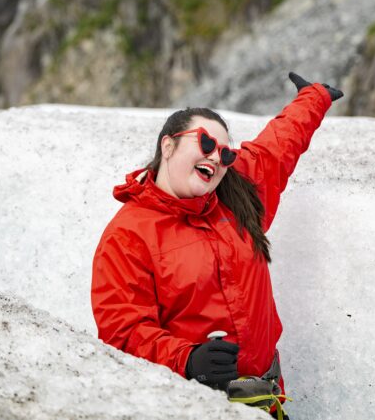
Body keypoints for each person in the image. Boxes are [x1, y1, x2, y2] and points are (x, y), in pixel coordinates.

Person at [91, 72, 343, 418]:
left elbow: (279, 145)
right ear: (168, 145)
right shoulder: (128, 235)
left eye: (225, 153)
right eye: (206, 143)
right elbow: (122, 330)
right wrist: (188, 360)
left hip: (266, 402)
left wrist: (314, 97)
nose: (216, 158)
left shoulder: (238, 196)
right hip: (192, 407)